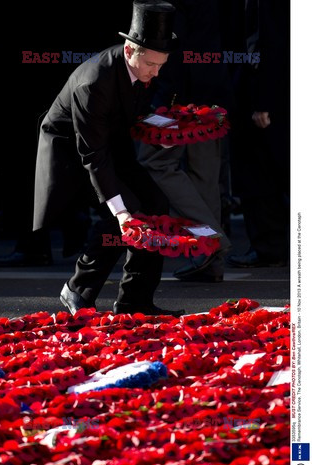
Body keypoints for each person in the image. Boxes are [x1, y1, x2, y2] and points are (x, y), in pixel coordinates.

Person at [33, 0, 185, 316]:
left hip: (110, 146)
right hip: (74, 154)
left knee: (156, 205)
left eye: (161, 65)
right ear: (130, 51)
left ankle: (135, 299)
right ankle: (77, 290)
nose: (156, 73)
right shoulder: (94, 81)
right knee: (121, 215)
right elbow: (92, 153)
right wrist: (121, 212)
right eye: (151, 65)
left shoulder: (142, 69)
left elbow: (137, 113)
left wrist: (168, 132)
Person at [136, 0, 233, 283]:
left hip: (180, 94)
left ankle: (212, 239)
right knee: (205, 175)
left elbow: (174, 41)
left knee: (153, 160)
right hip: (214, 86)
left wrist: (162, 98)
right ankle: (210, 259)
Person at [222, 0, 290, 268]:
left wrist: (261, 101)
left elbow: (262, 43)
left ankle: (268, 248)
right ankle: (270, 247)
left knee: (260, 176)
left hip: (262, 96)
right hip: (276, 91)